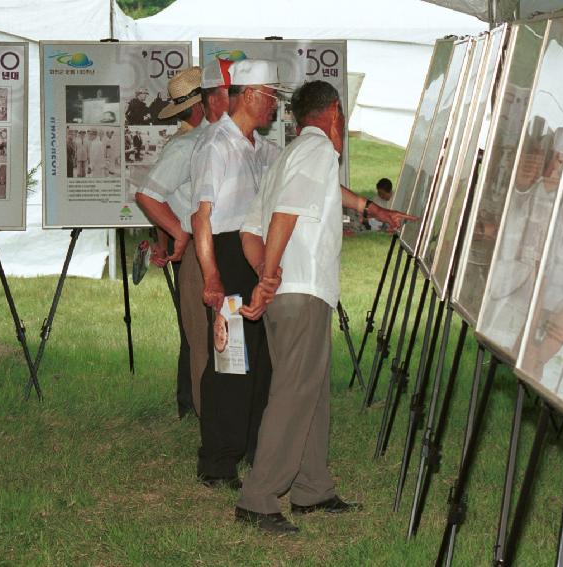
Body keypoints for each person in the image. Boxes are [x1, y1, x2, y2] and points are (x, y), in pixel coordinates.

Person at [235, 80, 415, 533]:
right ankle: (258, 497)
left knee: (309, 391)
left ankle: (311, 488)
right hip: (301, 291)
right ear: (335, 111)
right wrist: (270, 278)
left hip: (288, 293)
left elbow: (249, 229)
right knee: (294, 394)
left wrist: (266, 276)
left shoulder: (289, 158)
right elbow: (283, 217)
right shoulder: (317, 153)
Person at [189, 58, 282, 489]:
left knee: (257, 360)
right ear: (249, 95)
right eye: (271, 98)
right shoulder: (216, 145)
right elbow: (201, 217)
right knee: (230, 361)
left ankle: (247, 446)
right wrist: (211, 276)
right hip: (226, 254)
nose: (275, 108)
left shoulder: (259, 147)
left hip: (252, 253)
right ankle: (217, 462)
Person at [135, 66, 216, 420]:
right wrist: (178, 235)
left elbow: (169, 200)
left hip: (202, 247)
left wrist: (166, 240)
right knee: (200, 336)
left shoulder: (196, 140)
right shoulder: (187, 145)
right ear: (202, 105)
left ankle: (195, 404)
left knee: (198, 334)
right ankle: (201, 408)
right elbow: (150, 196)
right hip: (200, 249)